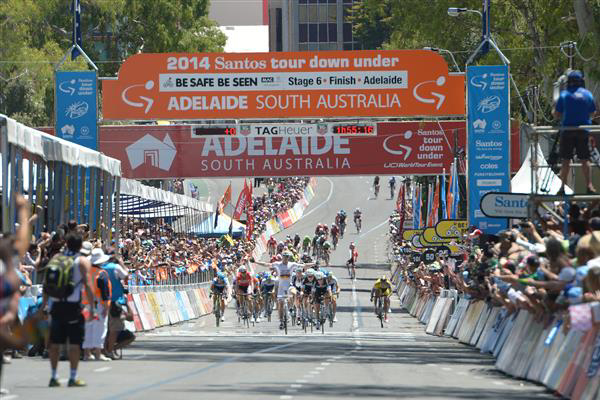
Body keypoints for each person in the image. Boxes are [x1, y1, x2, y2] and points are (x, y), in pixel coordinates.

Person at [42, 231, 96, 387]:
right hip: (73, 307)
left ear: (66, 243)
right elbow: (87, 284)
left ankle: (54, 376)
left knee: (55, 343)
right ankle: (73, 377)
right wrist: (92, 307)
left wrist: (44, 305)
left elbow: (47, 284)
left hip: (56, 304)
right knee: (74, 343)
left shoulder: (56, 259)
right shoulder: (82, 261)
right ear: (80, 245)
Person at [554, 70, 597, 194]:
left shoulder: (564, 95)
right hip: (583, 131)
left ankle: (562, 187)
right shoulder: (587, 94)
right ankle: (589, 186)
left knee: (566, 160)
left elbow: (557, 115)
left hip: (567, 131)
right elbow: (593, 112)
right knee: (585, 159)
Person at [82, 247, 112, 362]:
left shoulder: (86, 272)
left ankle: (87, 354)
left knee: (87, 329)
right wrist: (106, 307)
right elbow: (105, 293)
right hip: (99, 305)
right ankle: (98, 354)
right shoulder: (102, 274)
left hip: (85, 304)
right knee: (100, 328)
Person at [102, 252, 129, 360]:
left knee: (106, 328)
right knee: (114, 329)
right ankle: (109, 351)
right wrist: (122, 264)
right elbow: (126, 276)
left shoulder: (101, 267)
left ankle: (104, 349)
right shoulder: (115, 267)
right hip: (114, 301)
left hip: (102, 301)